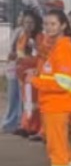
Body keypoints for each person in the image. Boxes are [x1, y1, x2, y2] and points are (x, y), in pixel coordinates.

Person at [30, 9, 71, 166]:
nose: (48, 28)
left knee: (57, 151)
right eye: (46, 24)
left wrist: (35, 81)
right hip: (56, 106)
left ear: (62, 25)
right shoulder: (59, 47)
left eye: (52, 24)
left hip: (57, 106)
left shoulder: (63, 49)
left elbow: (63, 83)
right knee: (63, 151)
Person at [14, 9, 45, 139]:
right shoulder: (23, 36)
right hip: (24, 74)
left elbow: (40, 57)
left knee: (34, 102)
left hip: (33, 73)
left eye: (31, 22)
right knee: (28, 102)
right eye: (26, 22)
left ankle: (33, 127)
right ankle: (27, 126)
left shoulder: (38, 37)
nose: (28, 25)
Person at [3, 12, 24, 134]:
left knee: (18, 96)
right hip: (13, 67)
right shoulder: (17, 30)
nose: (20, 18)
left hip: (20, 67)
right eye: (20, 16)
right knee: (12, 96)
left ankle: (14, 122)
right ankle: (10, 121)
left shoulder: (24, 32)